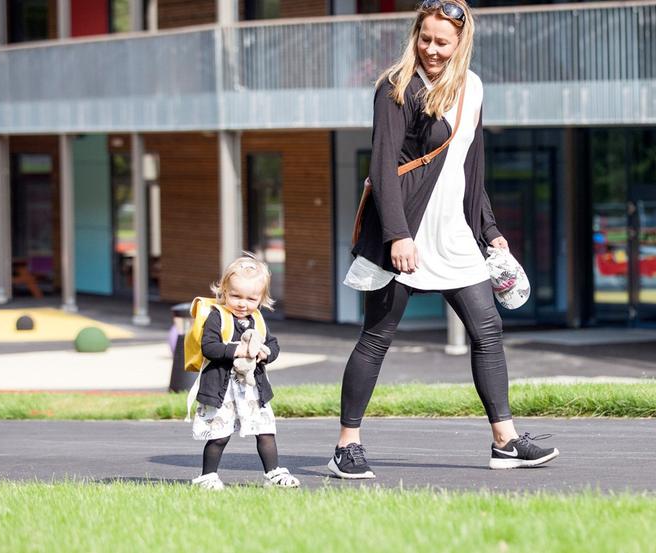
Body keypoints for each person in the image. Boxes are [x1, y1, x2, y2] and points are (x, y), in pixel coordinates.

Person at [331, 0, 559, 479]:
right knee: (376, 338)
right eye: (425, 38)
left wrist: (489, 230)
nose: (431, 49)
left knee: (488, 330)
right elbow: (383, 168)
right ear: (416, 34)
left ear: (460, 43)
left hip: (453, 232)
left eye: (442, 41)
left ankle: (505, 441)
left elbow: (470, 167)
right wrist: (397, 235)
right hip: (406, 232)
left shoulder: (471, 87)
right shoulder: (396, 87)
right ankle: (346, 445)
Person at [190, 254, 300, 490]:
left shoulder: (257, 319)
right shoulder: (217, 316)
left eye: (251, 298)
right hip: (222, 388)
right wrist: (238, 350)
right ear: (224, 291)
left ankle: (273, 472)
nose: (243, 303)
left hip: (252, 389)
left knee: (266, 431)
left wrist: (265, 353)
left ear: (262, 298)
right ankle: (207, 476)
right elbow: (209, 347)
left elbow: (273, 345)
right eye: (235, 296)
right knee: (219, 435)